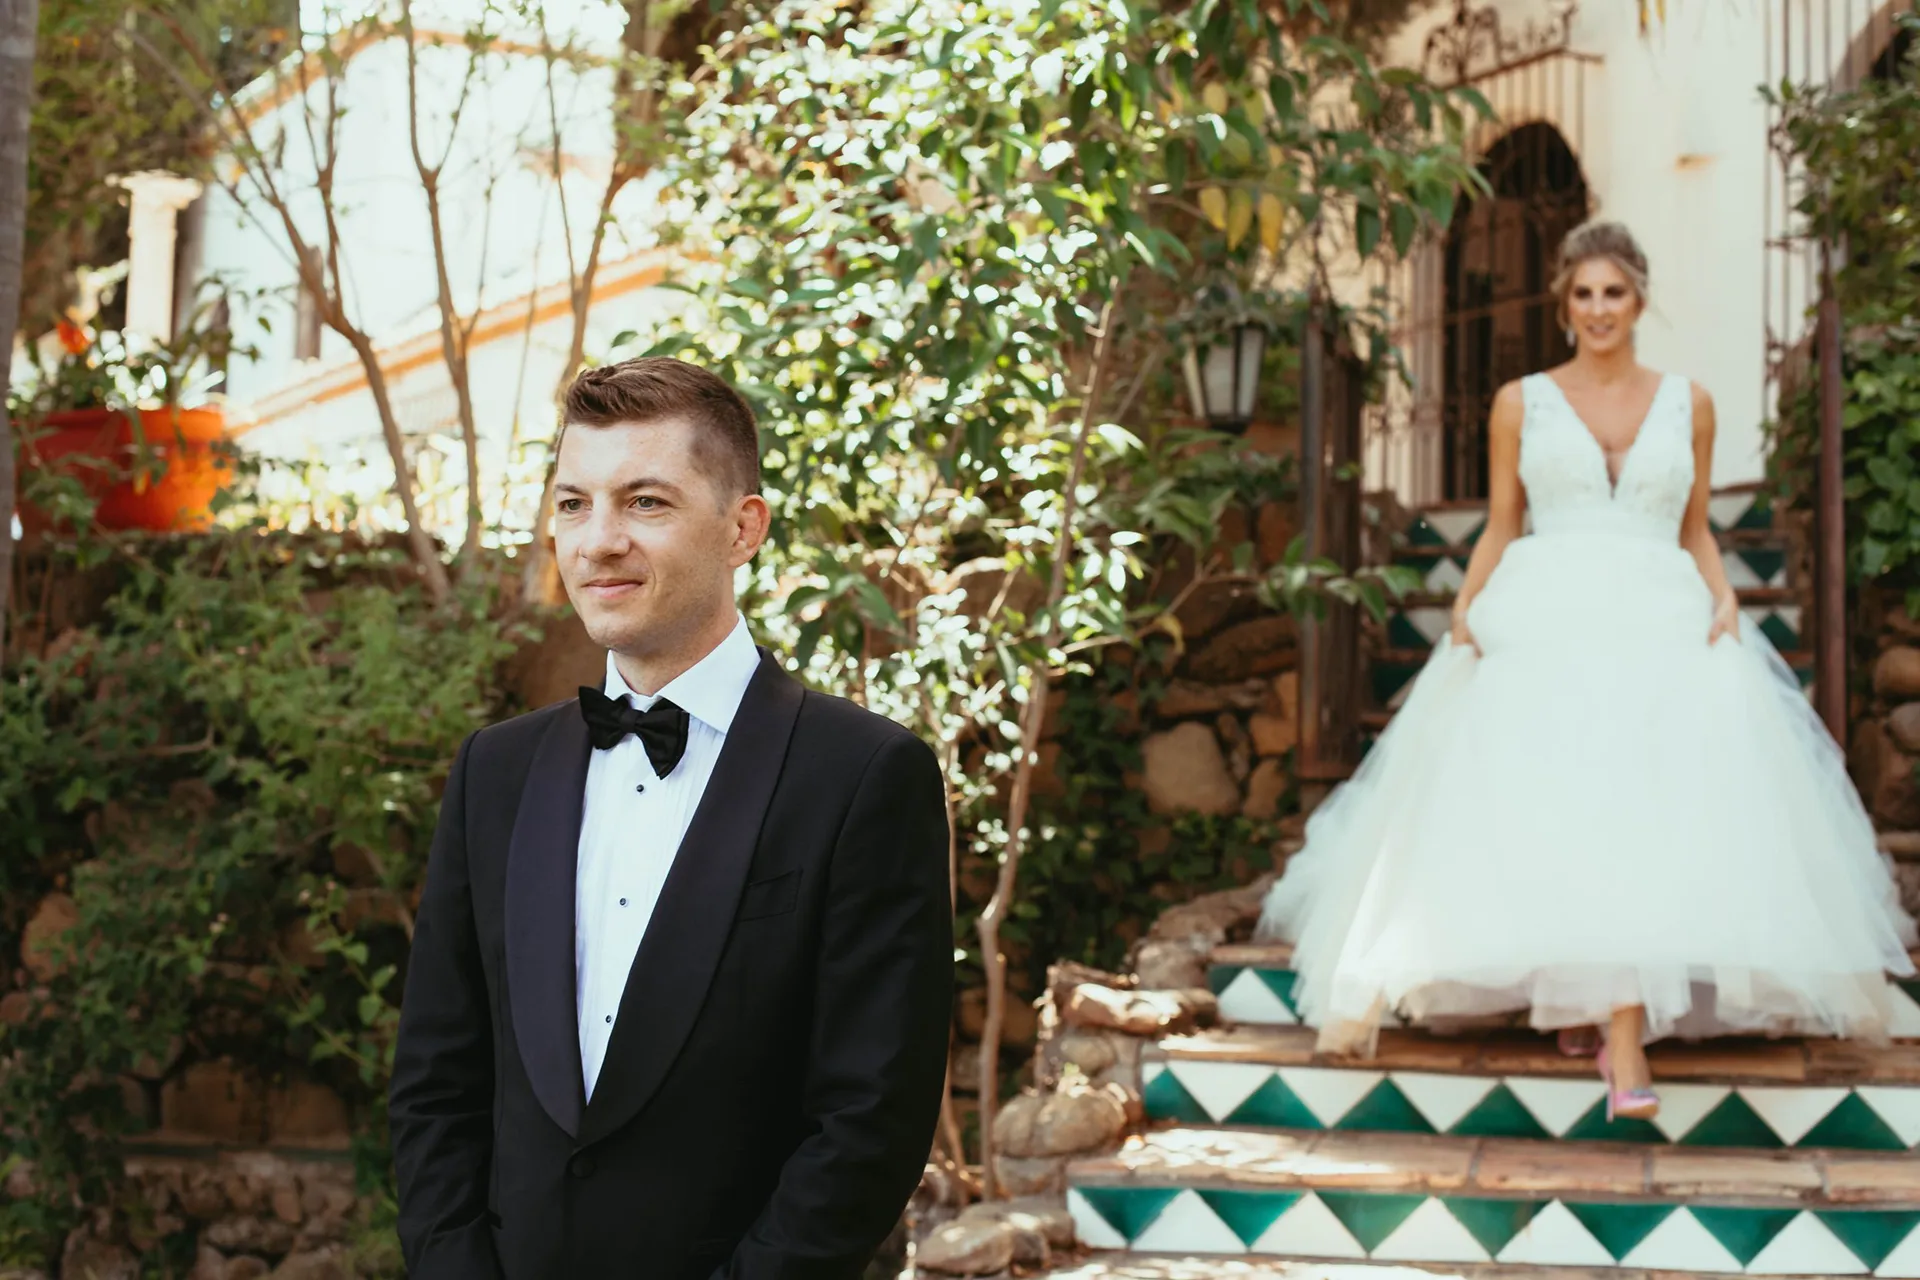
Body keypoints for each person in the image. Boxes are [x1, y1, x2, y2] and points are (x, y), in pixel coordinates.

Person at [1257, 220, 1916, 1120]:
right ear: (1564, 304)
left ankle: (1619, 1023)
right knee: (1560, 799)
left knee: (1645, 803)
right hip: (1548, 607)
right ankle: (1601, 1015)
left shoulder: (1690, 403)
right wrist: (1465, 606)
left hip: (1660, 607)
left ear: (1639, 299)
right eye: (1583, 294)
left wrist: (1725, 596)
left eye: (1614, 292)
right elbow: (1503, 521)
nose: (1599, 309)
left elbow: (1693, 527)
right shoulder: (1520, 402)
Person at [389, 357, 954, 1278]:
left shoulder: (864, 776)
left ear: (743, 528)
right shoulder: (495, 771)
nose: (597, 541)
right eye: (574, 504)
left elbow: (870, 1122)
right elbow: (434, 1084)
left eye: (645, 502)